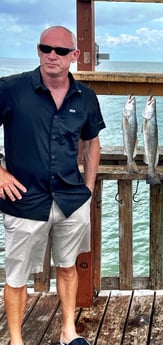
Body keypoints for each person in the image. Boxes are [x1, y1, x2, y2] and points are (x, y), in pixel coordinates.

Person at [0, 26, 105, 345]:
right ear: (38, 50)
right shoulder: (11, 89)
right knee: (17, 276)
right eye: (46, 48)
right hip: (24, 199)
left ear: (74, 56)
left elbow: (93, 143)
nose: (52, 56)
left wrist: (87, 187)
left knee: (68, 266)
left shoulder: (85, 96)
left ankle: (68, 331)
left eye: (60, 51)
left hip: (72, 199)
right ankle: (16, 340)